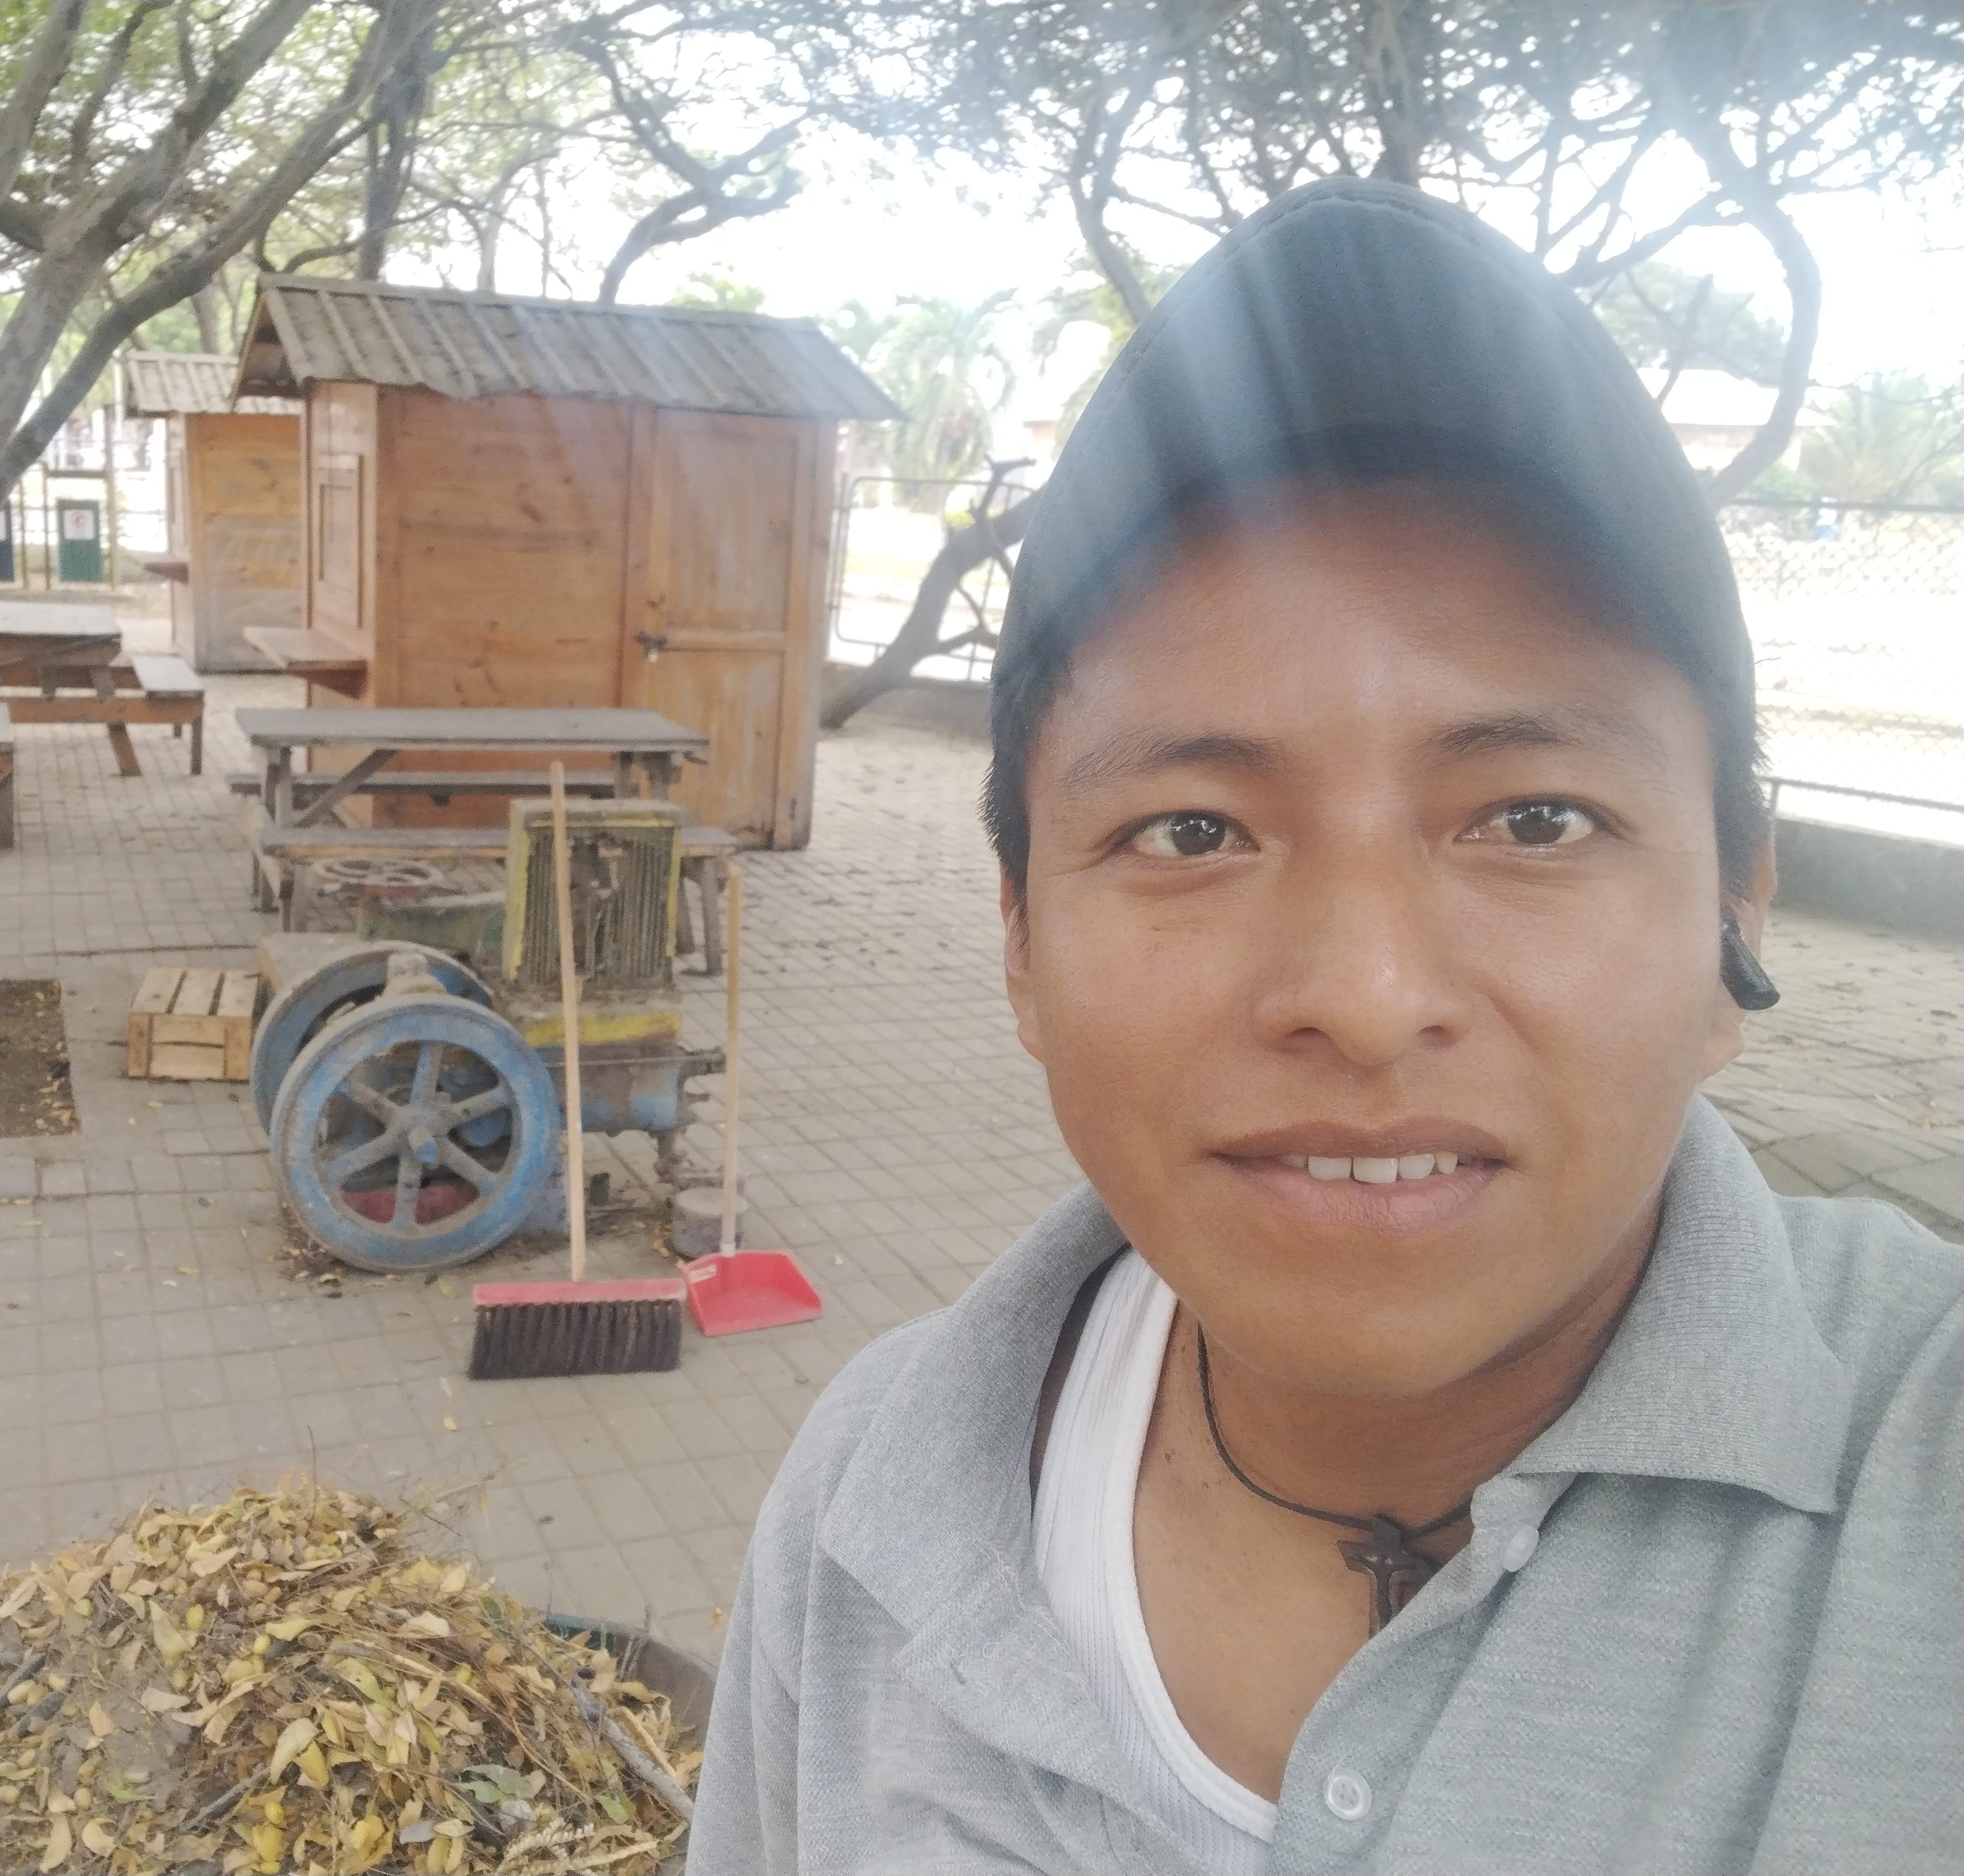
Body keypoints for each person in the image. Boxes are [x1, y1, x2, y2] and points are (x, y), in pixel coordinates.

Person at [687, 180, 1962, 1875]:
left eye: (1535, 820)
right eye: (1191, 832)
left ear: (1735, 913)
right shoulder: (868, 1498)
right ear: (1019, 939)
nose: (1366, 1001)